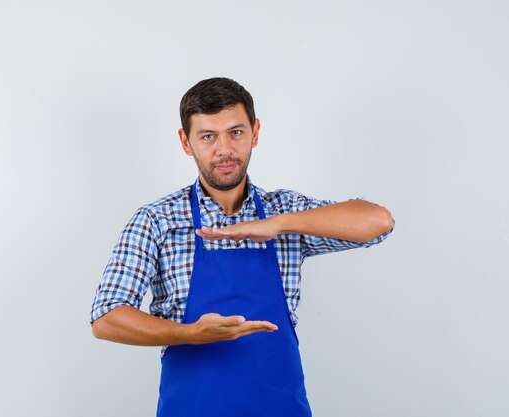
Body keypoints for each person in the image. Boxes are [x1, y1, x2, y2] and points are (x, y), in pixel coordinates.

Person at [90, 77, 395, 416]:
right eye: (208, 137)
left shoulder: (286, 210)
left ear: (255, 132)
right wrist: (191, 334)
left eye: (236, 132)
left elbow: (378, 224)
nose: (224, 150)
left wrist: (277, 223)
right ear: (186, 142)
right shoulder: (157, 220)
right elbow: (107, 317)